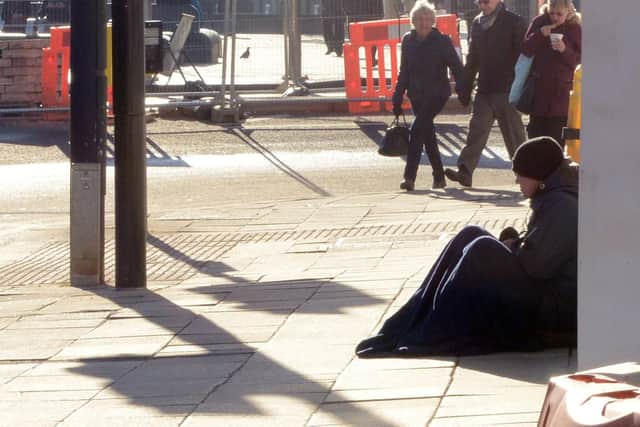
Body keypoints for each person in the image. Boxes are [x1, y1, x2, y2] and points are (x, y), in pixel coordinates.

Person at [356, 136, 578, 357]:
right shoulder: (552, 198)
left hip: (556, 308)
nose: (517, 181)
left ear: (538, 176)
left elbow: (537, 267)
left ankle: (431, 332)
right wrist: (514, 244)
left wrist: (512, 247)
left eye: (520, 174)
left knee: (482, 249)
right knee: (470, 233)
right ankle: (407, 323)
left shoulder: (561, 206)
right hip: (548, 294)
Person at [445, 0, 527, 188]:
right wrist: (465, 88)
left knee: (514, 136)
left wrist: (520, 86)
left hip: (508, 89)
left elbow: (523, 58)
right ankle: (465, 171)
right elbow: (473, 58)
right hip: (485, 88)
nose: (483, 5)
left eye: (487, 1)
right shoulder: (477, 23)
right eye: (480, 2)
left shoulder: (515, 22)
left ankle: (525, 174)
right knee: (476, 131)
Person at [392, 1, 463, 190]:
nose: (423, 23)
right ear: (412, 21)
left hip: (437, 94)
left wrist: (463, 90)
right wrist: (397, 96)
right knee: (427, 133)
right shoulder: (408, 40)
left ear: (433, 21)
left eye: (427, 19)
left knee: (417, 130)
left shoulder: (442, 41)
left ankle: (409, 177)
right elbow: (404, 71)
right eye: (419, 19)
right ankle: (439, 177)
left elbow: (456, 67)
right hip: (417, 95)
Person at [522, 0, 582, 146]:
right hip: (539, 91)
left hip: (561, 95)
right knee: (536, 138)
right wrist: (540, 34)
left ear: (568, 12)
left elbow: (580, 61)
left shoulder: (574, 28)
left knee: (556, 140)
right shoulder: (540, 22)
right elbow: (526, 49)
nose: (554, 17)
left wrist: (564, 50)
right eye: (552, 13)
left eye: (559, 14)